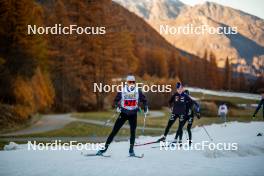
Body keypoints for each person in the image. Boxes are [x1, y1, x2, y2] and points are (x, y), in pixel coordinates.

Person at [97, 75, 148, 156]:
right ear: (127, 83)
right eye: (129, 82)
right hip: (123, 113)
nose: (131, 83)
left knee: (133, 132)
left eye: (133, 82)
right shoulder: (122, 90)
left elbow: (144, 100)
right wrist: (117, 106)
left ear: (135, 82)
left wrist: (145, 107)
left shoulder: (138, 90)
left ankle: (131, 150)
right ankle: (103, 149)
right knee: (114, 131)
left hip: (133, 114)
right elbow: (116, 100)